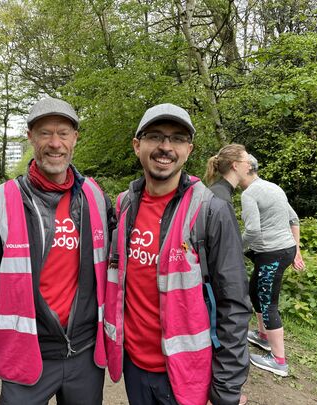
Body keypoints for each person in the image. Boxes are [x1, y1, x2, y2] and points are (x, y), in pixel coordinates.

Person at [0, 97, 114, 405]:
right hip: (26, 357)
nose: (55, 143)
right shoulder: (0, 203)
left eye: (63, 133)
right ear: (30, 136)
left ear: (75, 138)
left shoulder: (96, 197)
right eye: (45, 133)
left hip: (85, 355)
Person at [104, 103, 251, 405]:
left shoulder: (211, 210)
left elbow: (234, 303)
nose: (165, 147)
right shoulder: (123, 206)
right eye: (156, 136)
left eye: (177, 139)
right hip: (133, 366)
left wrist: (226, 387)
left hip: (188, 372)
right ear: (137, 146)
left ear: (189, 149)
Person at [238, 154, 305, 377]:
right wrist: (296, 250)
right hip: (281, 250)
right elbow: (294, 219)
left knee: (267, 302)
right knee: (255, 292)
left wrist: (233, 246)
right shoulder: (273, 187)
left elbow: (254, 231)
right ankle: (263, 336)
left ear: (244, 168)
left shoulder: (249, 194)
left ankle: (279, 360)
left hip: (272, 254)